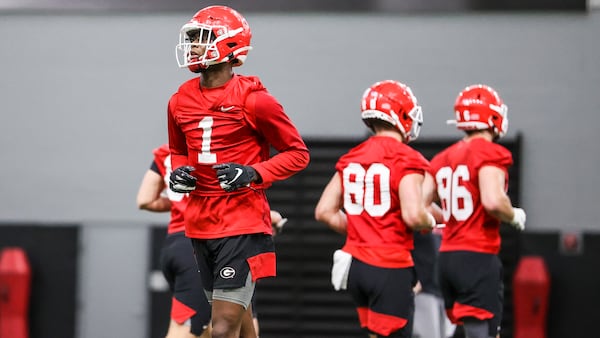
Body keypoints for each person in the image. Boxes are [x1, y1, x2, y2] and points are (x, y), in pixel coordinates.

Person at [167, 5, 310, 338]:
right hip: (200, 222)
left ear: (230, 45)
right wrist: (180, 172)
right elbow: (176, 151)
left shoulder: (255, 100)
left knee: (222, 326)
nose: (194, 46)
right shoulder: (178, 100)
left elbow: (298, 153)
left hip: (242, 223)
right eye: (192, 38)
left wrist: (253, 173)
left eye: (203, 38)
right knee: (239, 321)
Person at [314, 80, 436, 338]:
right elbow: (414, 214)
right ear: (400, 114)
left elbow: (324, 210)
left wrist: (363, 229)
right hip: (389, 265)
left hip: (357, 266)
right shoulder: (406, 157)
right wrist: (431, 222)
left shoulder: (353, 156)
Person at [423, 84, 526, 338]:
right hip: (476, 256)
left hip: (446, 259)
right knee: (483, 333)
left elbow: (420, 205)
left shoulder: (442, 158)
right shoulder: (490, 153)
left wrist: (449, 217)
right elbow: (492, 201)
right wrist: (513, 214)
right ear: (493, 116)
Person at [137, 143, 211, 338]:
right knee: (189, 330)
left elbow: (145, 200)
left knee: (209, 329)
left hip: (176, 246)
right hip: (199, 248)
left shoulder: (166, 152)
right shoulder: (218, 148)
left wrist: (181, 203)